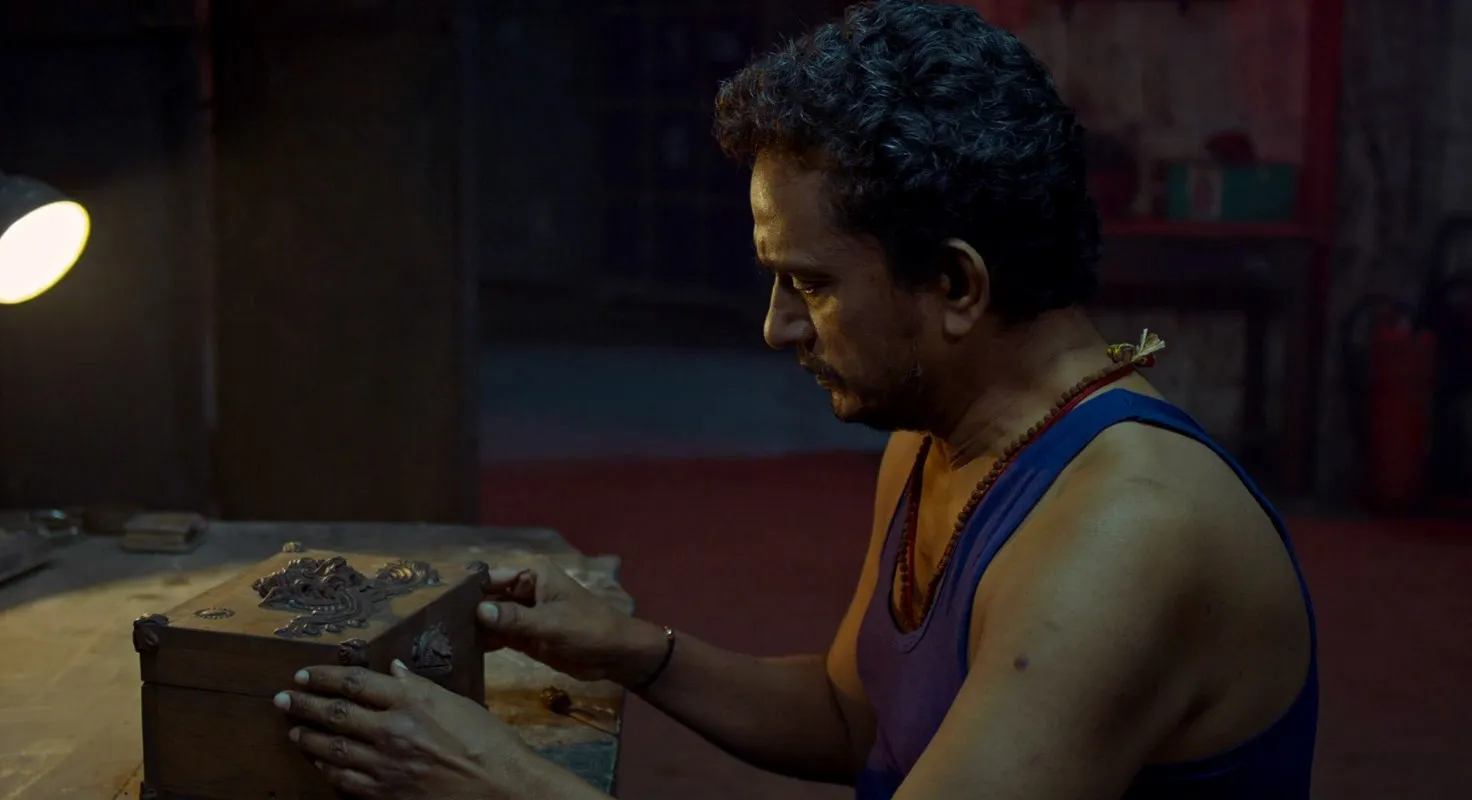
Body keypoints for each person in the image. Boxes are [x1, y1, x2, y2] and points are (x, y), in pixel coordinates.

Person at [269, 2, 1318, 798]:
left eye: (810, 284)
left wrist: (504, 781)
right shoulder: (945, 434)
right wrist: (638, 651)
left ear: (956, 285)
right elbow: (856, 718)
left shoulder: (1126, 536)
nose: (777, 328)